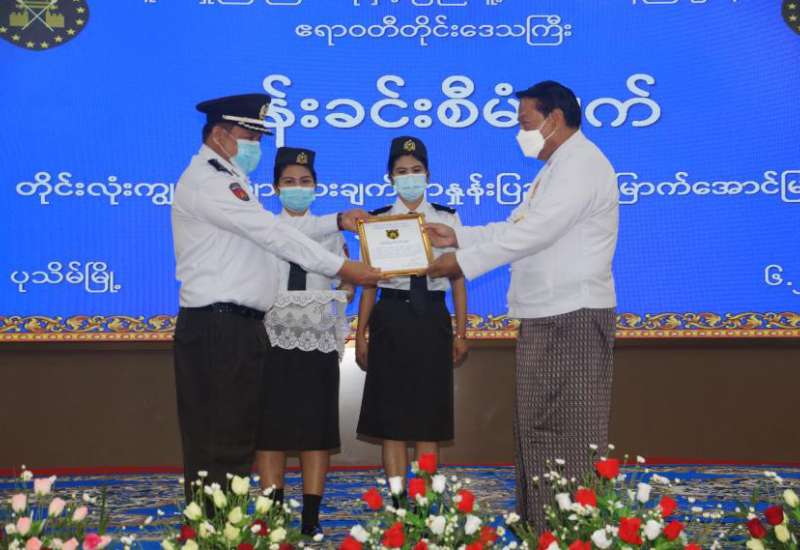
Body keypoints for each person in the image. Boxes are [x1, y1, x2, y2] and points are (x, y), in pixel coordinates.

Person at [426, 81, 619, 530]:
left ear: (554, 119)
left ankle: (571, 532)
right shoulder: (555, 168)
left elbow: (536, 233)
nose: (521, 133)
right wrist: (460, 237)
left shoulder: (582, 165)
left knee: (570, 434)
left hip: (571, 315)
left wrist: (462, 262)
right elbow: (517, 227)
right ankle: (540, 529)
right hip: (545, 315)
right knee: (537, 429)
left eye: (525, 122)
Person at [171, 93, 379, 502]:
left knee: (234, 439)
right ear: (220, 135)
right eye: (250, 137)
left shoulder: (230, 179)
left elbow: (283, 231)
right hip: (218, 328)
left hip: (237, 328)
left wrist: (338, 222)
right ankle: (212, 527)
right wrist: (343, 267)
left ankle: (222, 525)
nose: (256, 146)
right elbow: (273, 234)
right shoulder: (210, 182)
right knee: (219, 441)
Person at [356, 136, 469, 500]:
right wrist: (361, 334)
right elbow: (368, 284)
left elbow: (459, 279)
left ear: (428, 174)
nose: (409, 177)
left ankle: (422, 507)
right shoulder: (376, 221)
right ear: (390, 178)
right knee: (392, 424)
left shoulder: (447, 218)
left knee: (428, 422)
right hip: (390, 318)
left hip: (432, 318)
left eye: (416, 170)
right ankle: (398, 502)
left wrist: (461, 332)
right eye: (402, 171)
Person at [254, 147, 353, 536]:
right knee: (270, 432)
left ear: (315, 187)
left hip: (317, 339)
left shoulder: (332, 233)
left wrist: (343, 296)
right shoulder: (262, 228)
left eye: (305, 181)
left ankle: (311, 519)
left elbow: (346, 280)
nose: (298, 188)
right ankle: (274, 516)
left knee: (316, 431)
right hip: (271, 338)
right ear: (276, 188)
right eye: (289, 182)